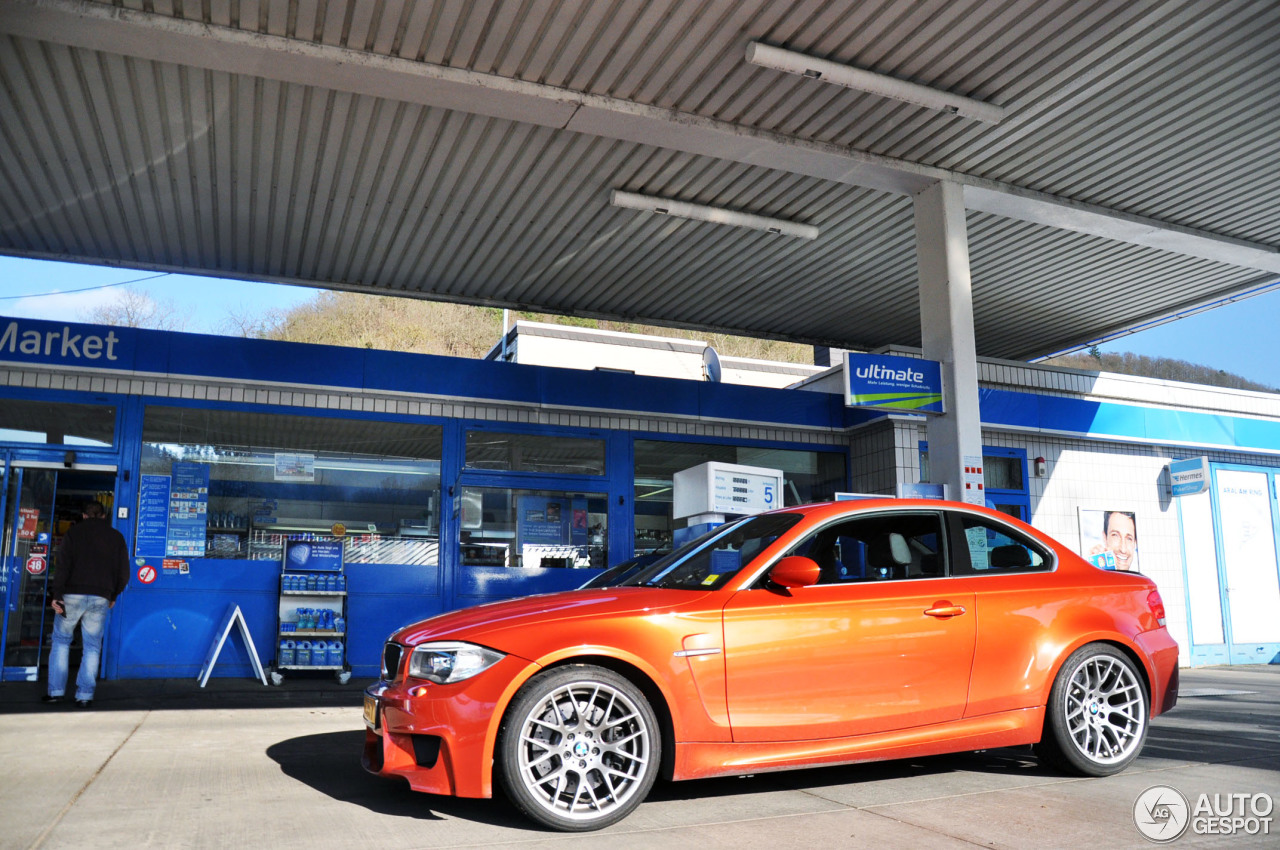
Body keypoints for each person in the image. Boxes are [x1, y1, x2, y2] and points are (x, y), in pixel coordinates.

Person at [44, 501, 130, 708]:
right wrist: (113, 594)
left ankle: (55, 692)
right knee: (92, 646)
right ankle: (84, 696)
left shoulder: (73, 534)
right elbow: (124, 572)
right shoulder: (116, 537)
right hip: (100, 596)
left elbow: (62, 565)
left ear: (83, 516)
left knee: (61, 641)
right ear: (103, 516)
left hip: (71, 594)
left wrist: (57, 594)